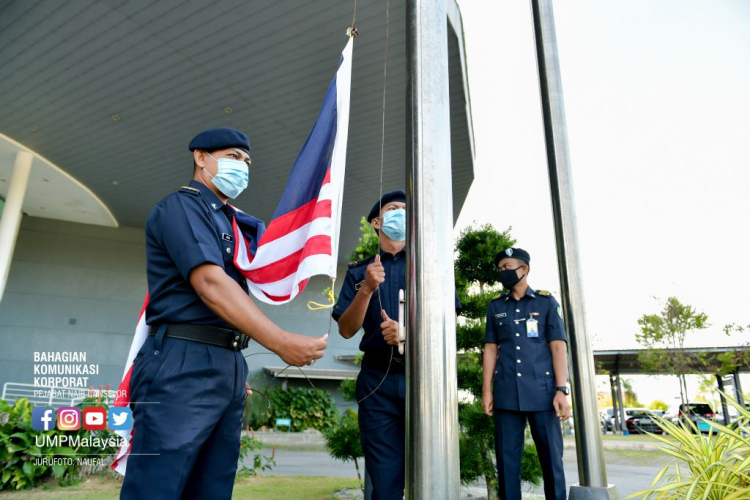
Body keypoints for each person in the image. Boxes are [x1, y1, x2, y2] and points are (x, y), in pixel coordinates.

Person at [121, 127, 328, 500]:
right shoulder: (182, 207)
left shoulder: (229, 220)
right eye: (233, 157)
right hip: (182, 361)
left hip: (224, 360)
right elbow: (211, 285)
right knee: (158, 487)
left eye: (247, 161)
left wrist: (229, 362)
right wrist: (280, 342)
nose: (243, 167)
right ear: (201, 157)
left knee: (211, 488)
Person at [332, 190, 461, 500]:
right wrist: (366, 289)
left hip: (425, 382)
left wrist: (408, 334)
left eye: (406, 209)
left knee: (434, 475)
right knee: (385, 480)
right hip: (378, 383)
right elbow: (347, 330)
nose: (401, 213)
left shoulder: (433, 267)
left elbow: (449, 321)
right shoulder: (358, 272)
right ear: (377, 222)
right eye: (393, 208)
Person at [482, 247, 570, 500]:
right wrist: (487, 390)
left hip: (543, 395)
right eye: (500, 269)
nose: (503, 272)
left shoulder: (546, 302)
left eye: (508, 267)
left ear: (524, 269)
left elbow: (557, 346)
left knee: (552, 461)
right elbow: (490, 349)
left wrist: (561, 389)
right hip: (507, 395)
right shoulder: (496, 306)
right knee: (507, 464)